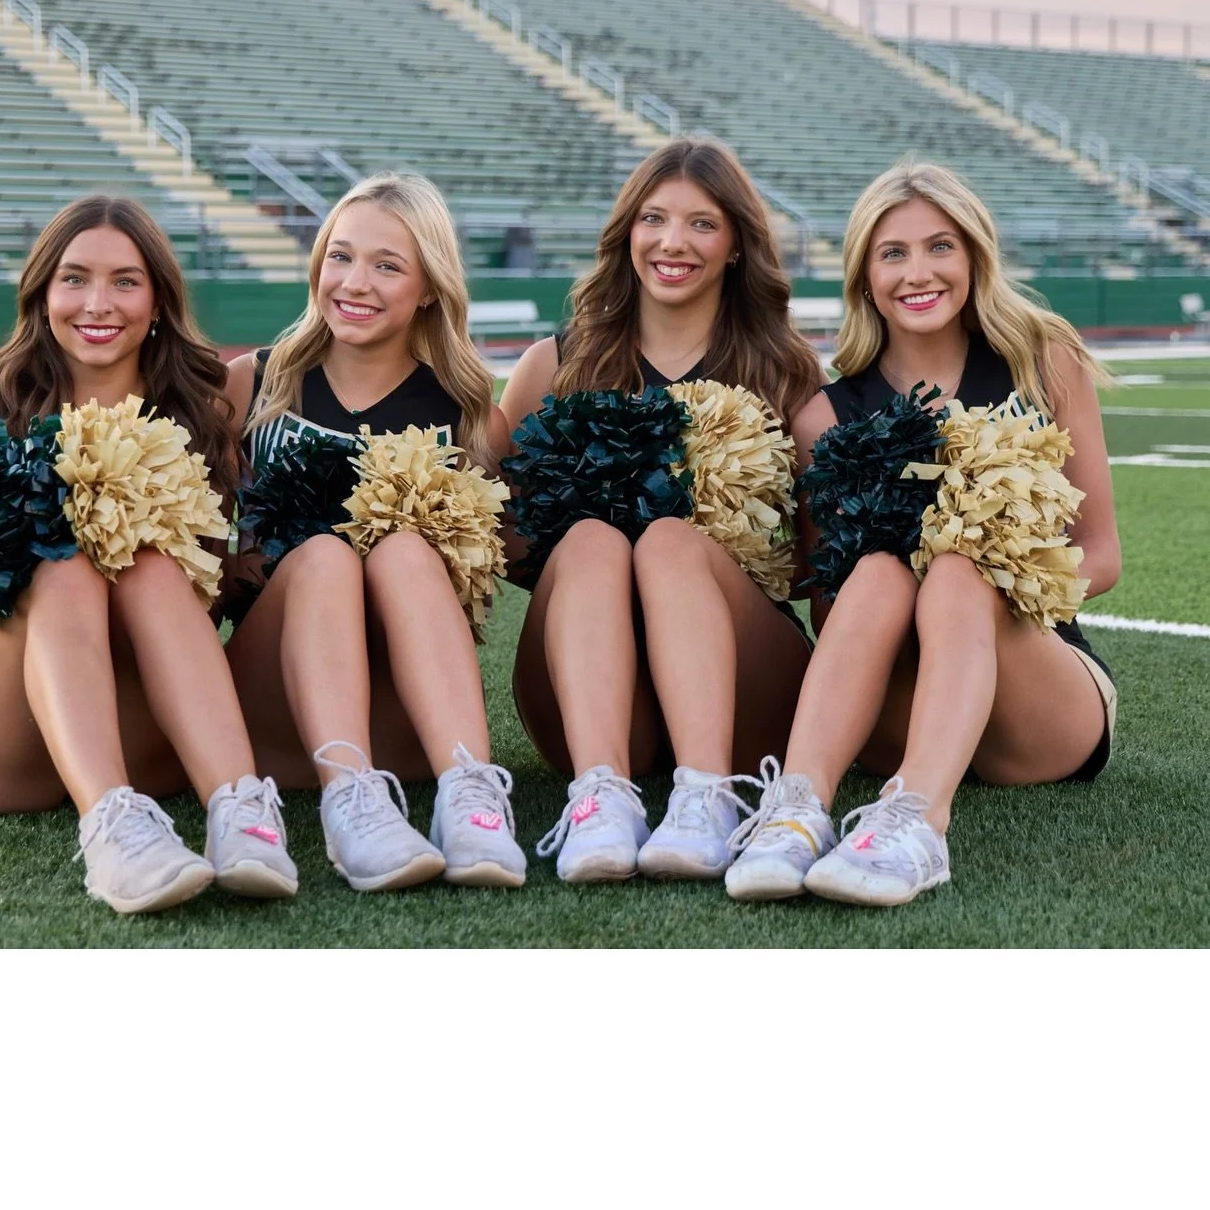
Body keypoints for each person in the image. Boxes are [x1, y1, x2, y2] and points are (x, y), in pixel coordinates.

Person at [0, 194, 298, 915]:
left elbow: (226, 594)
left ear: (159, 301)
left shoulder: (202, 422)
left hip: (148, 734)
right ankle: (111, 830)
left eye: (125, 281)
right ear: (42, 292)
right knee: (64, 557)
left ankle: (241, 814)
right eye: (74, 278)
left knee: (143, 560)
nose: (97, 303)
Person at [725, 161, 1120, 908]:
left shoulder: (1043, 364)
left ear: (974, 254)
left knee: (960, 570)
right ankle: (796, 812)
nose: (918, 272)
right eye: (892, 253)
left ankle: (918, 825)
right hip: (895, 708)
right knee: (875, 572)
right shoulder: (824, 412)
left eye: (940, 246)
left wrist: (1004, 576)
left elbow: (1101, 554)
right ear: (864, 275)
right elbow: (823, 601)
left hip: (1038, 699)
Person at [497, 137, 822, 884]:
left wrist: (705, 562)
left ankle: (707, 796)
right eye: (653, 218)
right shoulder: (557, 364)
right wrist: (599, 575)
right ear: (627, 233)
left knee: (671, 543)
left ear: (738, 243)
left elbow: (822, 558)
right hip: (586, 702)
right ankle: (601, 796)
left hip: (745, 691)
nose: (673, 242)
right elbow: (495, 530)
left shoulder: (788, 372)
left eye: (702, 224)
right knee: (588, 540)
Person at [223, 171, 527, 893]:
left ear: (429, 287)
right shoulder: (251, 384)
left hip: (409, 725)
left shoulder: (469, 416)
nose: (355, 282)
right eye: (341, 255)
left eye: (388, 265)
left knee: (402, 549)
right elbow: (191, 562)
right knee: (326, 555)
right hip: (273, 705)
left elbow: (525, 558)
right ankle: (350, 798)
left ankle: (471, 790)